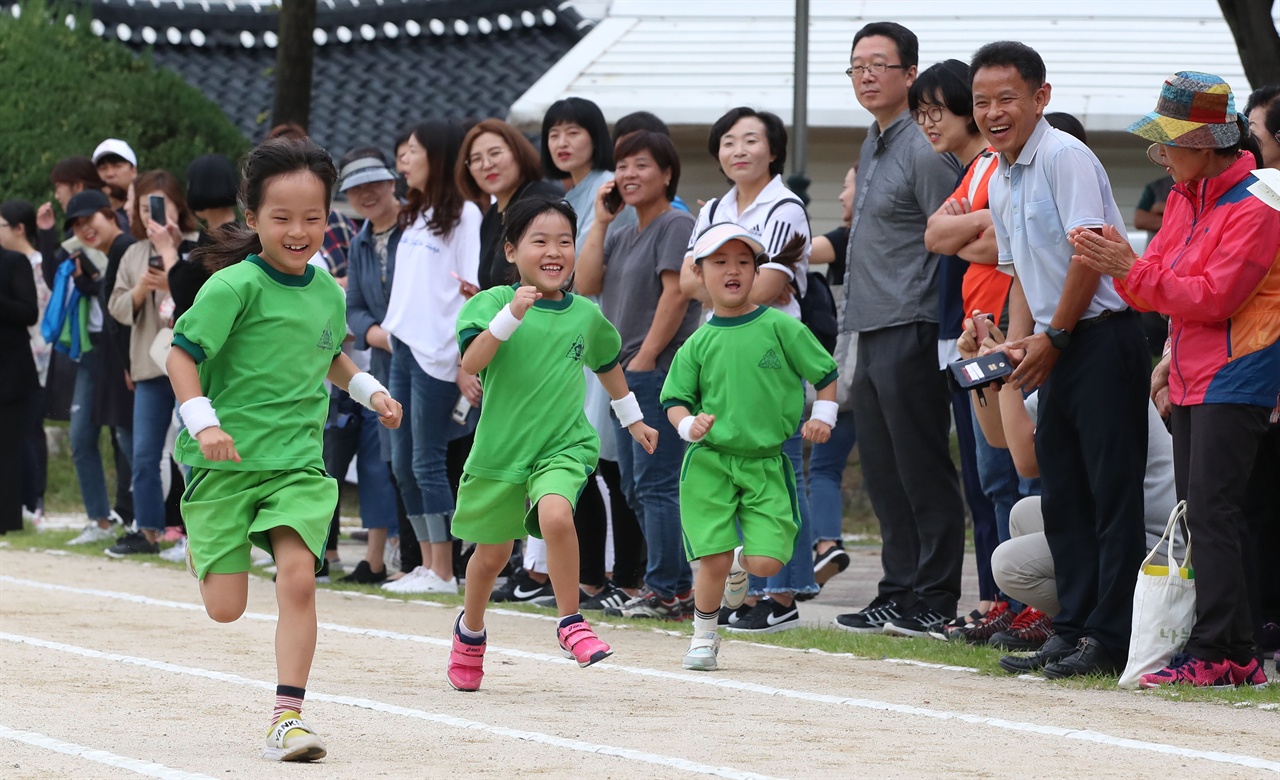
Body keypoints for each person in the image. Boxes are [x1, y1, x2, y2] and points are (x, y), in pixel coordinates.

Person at [167, 136, 403, 760]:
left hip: (297, 463)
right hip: (225, 462)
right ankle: (208, 535)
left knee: (299, 578)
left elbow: (328, 354)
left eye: (313, 217)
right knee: (225, 608)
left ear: (330, 219)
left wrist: (369, 388)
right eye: (282, 218)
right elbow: (180, 356)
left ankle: (287, 717)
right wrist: (203, 424)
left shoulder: (326, 289)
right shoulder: (232, 287)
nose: (299, 231)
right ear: (252, 219)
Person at [1070, 71, 1279, 688]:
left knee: (1214, 512)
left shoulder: (1256, 206)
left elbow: (1213, 298)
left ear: (1210, 141)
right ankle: (1231, 649)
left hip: (1238, 374)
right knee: (1208, 513)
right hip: (1193, 373)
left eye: (1170, 140)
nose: (1160, 152)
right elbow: (1162, 282)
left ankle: (1226, 649)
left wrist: (1129, 270)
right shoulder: (1187, 197)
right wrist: (1139, 285)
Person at [971, 41, 1150, 679]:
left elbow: (1088, 254)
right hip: (1060, 339)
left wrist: (1057, 337)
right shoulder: (1000, 173)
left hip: (1101, 336)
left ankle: (1112, 638)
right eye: (982, 102)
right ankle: (1070, 628)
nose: (993, 112)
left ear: (1041, 98)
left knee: (1111, 495)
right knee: (1063, 495)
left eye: (1005, 99)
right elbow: (1022, 275)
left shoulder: (1065, 156)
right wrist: (1018, 344)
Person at [445, 196, 657, 691]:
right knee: (491, 557)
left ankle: (570, 622)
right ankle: (470, 631)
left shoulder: (584, 313)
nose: (554, 251)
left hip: (562, 445)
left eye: (565, 241)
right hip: (501, 449)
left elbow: (608, 364)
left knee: (556, 514)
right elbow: (472, 362)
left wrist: (634, 421)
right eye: (540, 241)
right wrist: (511, 315)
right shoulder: (491, 303)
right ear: (513, 250)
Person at [833, 22, 966, 638]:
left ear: (910, 74)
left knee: (920, 465)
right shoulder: (874, 140)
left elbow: (953, 237)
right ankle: (897, 590)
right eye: (857, 65)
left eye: (880, 64)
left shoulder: (922, 144)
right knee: (884, 469)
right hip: (869, 322)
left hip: (914, 320)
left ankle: (936, 596)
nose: (866, 75)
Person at [662, 224, 838, 668]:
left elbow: (826, 374)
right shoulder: (697, 342)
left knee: (764, 563)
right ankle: (703, 636)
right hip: (710, 463)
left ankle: (739, 563)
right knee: (711, 558)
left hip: (767, 463)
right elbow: (675, 401)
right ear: (700, 273)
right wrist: (689, 428)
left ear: (757, 271)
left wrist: (822, 416)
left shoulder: (781, 326)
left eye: (743, 261)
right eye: (719, 262)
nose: (733, 270)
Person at [676, 107, 820, 630]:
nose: (738, 150)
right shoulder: (713, 206)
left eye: (751, 140)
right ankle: (748, 584)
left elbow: (768, 287)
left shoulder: (785, 206)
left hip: (771, 357)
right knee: (726, 472)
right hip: (719, 356)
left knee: (778, 475)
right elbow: (686, 283)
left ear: (774, 151)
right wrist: (715, 286)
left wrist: (715, 282)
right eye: (728, 141)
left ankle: (781, 597)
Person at [956, 317, 1178, 656]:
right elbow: (999, 437)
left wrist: (1007, 376)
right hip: (1132, 530)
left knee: (1007, 564)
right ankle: (1083, 616)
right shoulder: (1072, 365)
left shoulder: (1098, 369)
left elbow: (1025, 462)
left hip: (1159, 551)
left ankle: (1105, 620)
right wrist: (982, 374)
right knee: (1023, 514)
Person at [913, 58, 1028, 640]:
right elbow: (938, 237)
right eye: (921, 113)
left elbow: (993, 242)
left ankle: (1030, 600)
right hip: (976, 332)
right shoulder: (982, 166)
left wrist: (977, 231)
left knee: (1019, 472)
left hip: (1011, 326)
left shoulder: (1010, 165)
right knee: (991, 477)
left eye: (937, 109)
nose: (929, 122)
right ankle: (1003, 597)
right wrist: (976, 231)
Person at [575, 130, 698, 621]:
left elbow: (676, 295)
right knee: (631, 484)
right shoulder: (624, 231)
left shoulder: (676, 224)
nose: (628, 175)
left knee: (656, 483)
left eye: (641, 165)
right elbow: (585, 284)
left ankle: (671, 590)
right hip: (623, 377)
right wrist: (601, 223)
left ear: (667, 174)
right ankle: (663, 583)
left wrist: (646, 358)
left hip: (655, 373)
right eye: (622, 166)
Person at [532, 96, 644, 610]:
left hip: (600, 333)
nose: (562, 141)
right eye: (554, 132)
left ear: (595, 136)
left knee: (608, 463)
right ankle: (598, 579)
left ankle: (625, 576)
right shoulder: (566, 193)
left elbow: (594, 276)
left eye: (573, 131)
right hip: (571, 339)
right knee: (592, 461)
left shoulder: (606, 189)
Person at [381, 121, 482, 595]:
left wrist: (464, 357)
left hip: (437, 353)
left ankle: (444, 570)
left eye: (412, 151)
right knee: (402, 462)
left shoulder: (466, 214)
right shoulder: (415, 213)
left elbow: (472, 289)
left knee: (427, 461)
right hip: (402, 345)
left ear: (437, 157)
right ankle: (426, 564)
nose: (403, 160)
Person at [107, 170, 201, 556]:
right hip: (149, 365)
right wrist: (142, 288)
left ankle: (200, 533)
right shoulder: (132, 252)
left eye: (161, 206)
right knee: (144, 452)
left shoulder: (197, 246)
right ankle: (147, 530)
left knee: (193, 449)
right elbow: (116, 307)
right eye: (146, 208)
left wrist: (171, 281)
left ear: (179, 206)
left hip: (191, 365)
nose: (153, 216)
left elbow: (203, 300)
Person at [334, 148, 405, 585]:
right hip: (377, 361)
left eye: (373, 182)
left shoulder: (418, 230)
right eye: (356, 188)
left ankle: (419, 558)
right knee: (387, 459)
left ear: (391, 181)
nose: (366, 193)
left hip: (429, 360)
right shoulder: (360, 240)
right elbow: (356, 309)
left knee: (425, 459)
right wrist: (384, 337)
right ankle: (383, 559)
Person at [50, 190, 136, 546]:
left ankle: (159, 524)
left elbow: (131, 311)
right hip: (94, 349)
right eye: (78, 225)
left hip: (128, 357)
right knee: (85, 436)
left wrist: (131, 364)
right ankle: (101, 520)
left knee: (135, 441)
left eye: (90, 220)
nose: (85, 229)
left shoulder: (126, 248)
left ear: (109, 214)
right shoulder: (101, 253)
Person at [806, 164, 858, 598]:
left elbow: (796, 252)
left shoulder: (848, 239)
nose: (842, 196)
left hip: (850, 373)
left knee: (821, 467)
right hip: (877, 373)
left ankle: (826, 543)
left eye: (848, 186)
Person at [456, 119, 563, 292]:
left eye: (495, 153)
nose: (487, 164)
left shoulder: (543, 200)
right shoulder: (490, 216)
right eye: (476, 159)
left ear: (517, 152)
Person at [0, 200, 52, 524]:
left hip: (15, 367)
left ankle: (21, 509)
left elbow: (29, 313)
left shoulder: (16, 262)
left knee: (18, 440)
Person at [0, 247, 38, 533]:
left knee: (8, 447)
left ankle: (9, 519)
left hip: (10, 371)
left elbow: (29, 312)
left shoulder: (14, 261)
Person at [92, 139, 138, 212]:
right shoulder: (87, 217)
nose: (110, 174)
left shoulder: (147, 215)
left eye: (117, 166)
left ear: (133, 171)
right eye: (102, 168)